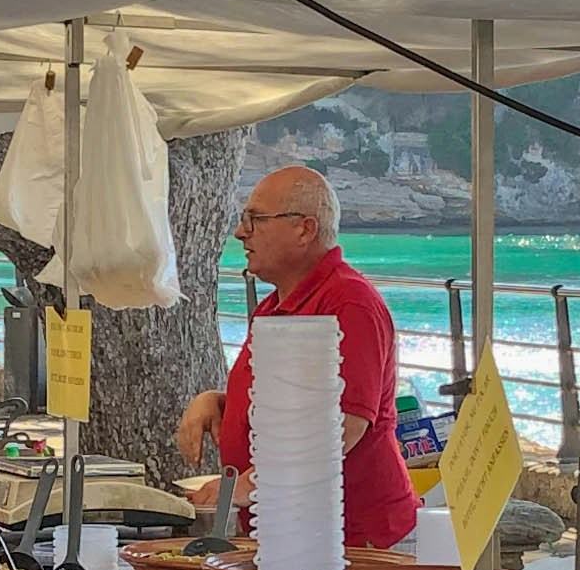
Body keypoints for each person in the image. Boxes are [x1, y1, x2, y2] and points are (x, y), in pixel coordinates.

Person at [176, 165, 422, 550]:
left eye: (254, 219)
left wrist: (246, 485)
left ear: (304, 229)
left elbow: (342, 427)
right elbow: (285, 407)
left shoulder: (349, 302)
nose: (241, 232)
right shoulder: (274, 307)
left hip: (353, 540)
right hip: (288, 533)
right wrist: (216, 402)